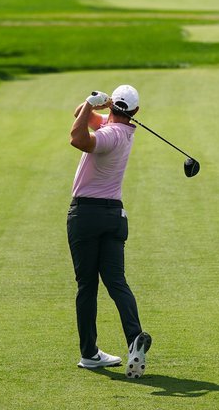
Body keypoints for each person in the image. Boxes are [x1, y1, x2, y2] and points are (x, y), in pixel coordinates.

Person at [66, 85, 153, 378]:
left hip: (86, 215)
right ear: (135, 112)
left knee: (87, 286)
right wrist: (94, 105)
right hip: (114, 215)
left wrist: (94, 105)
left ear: (114, 106)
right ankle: (134, 339)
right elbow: (81, 114)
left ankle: (90, 354)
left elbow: (76, 137)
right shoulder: (123, 131)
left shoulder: (109, 135)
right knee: (117, 281)